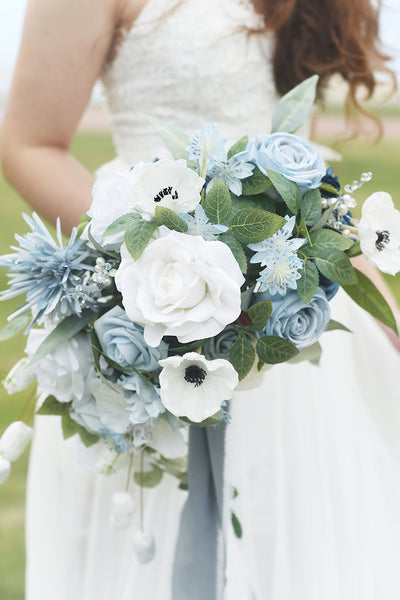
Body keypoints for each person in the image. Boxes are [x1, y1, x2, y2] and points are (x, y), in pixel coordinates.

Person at [2, 0, 400, 598]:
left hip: (292, 313)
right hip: (142, 298)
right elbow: (28, 142)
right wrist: (159, 263)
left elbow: (299, 159)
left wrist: (370, 289)